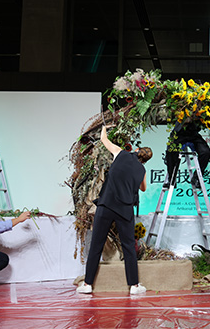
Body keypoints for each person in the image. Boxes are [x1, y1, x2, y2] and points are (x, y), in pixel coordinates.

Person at [77, 125, 153, 295]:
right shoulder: (142, 170)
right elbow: (143, 189)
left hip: (106, 206)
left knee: (96, 245)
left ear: (135, 150)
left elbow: (104, 140)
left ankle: (88, 284)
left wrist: (104, 128)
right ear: (145, 160)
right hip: (124, 210)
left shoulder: (121, 153)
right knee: (128, 247)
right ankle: (134, 286)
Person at [165, 120, 210, 189]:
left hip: (193, 134)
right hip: (179, 134)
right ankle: (172, 180)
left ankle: (196, 178)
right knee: (171, 151)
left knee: (206, 153)